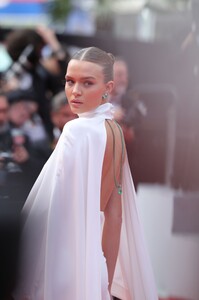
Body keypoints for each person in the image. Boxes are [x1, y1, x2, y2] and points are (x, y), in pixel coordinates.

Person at [13, 47, 158, 300]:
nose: (75, 91)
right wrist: (104, 279)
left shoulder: (76, 131)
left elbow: (47, 213)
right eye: (70, 81)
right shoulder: (114, 131)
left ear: (108, 87)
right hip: (93, 266)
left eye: (87, 83)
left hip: (59, 262)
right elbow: (115, 216)